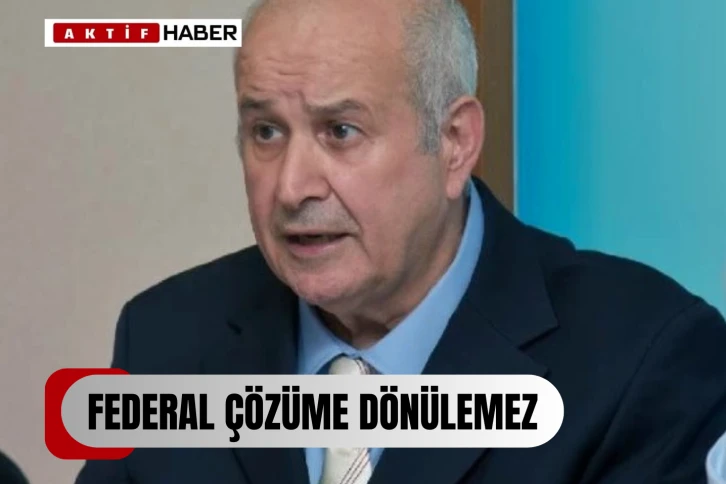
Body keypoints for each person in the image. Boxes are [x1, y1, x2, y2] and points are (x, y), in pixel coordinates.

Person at [76, 0, 726, 482]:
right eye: (266, 132)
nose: (293, 186)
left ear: (454, 143)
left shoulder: (641, 358)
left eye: (340, 131)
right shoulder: (164, 339)